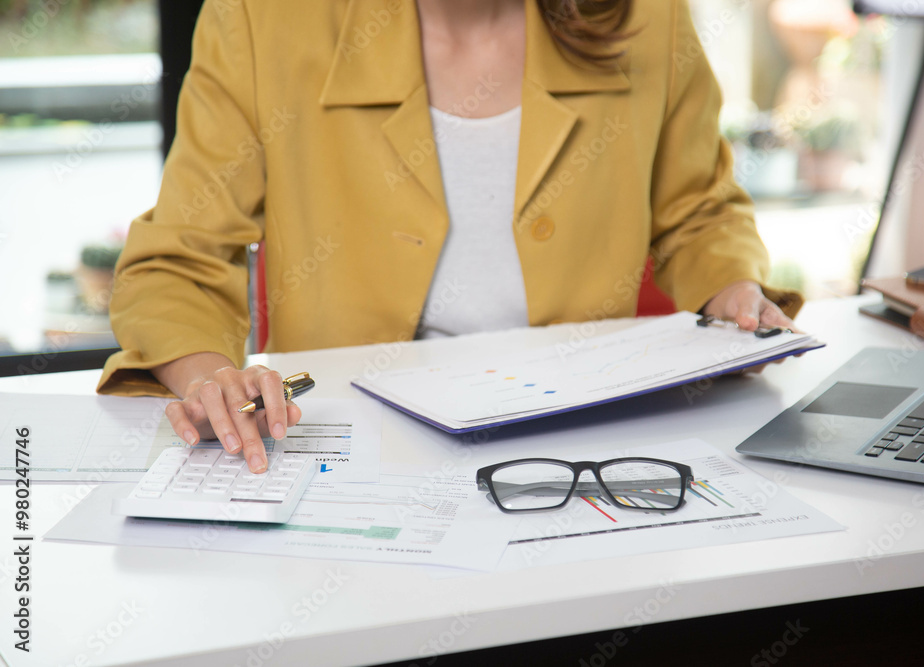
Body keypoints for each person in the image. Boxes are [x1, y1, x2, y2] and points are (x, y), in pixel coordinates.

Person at [98, 0, 803, 473]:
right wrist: (211, 379)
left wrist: (732, 288)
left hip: (588, 453)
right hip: (352, 457)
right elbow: (177, 263)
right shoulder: (267, 19)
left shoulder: (646, 17)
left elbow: (700, 209)